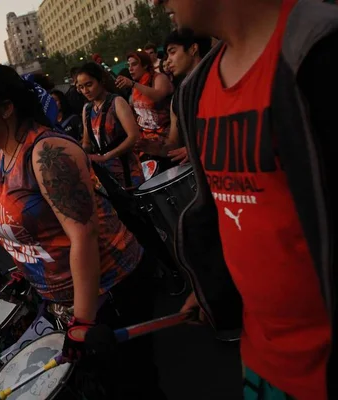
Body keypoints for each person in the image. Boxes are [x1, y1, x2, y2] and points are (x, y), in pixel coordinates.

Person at [156, 0, 337, 398]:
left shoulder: (318, 52)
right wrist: (210, 284)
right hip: (262, 361)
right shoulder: (198, 87)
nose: (157, 1)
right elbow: (225, 211)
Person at [0, 64, 166, 399]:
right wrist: (24, 268)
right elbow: (27, 224)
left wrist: (84, 319)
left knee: (133, 387)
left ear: (6, 108)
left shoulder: (48, 153)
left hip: (110, 288)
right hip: (63, 297)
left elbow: (82, 236)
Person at [76, 62, 145, 189]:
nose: (85, 91)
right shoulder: (87, 109)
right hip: (106, 176)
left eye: (89, 85)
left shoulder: (117, 102)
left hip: (127, 170)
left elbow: (134, 136)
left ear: (101, 81)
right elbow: (87, 143)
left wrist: (107, 156)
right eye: (81, 87)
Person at [115, 51, 175, 172]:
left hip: (166, 139)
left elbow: (158, 95)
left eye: (134, 64)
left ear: (145, 65)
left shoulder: (159, 78)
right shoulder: (135, 88)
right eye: (128, 65)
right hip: (146, 142)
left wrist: (133, 84)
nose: (130, 69)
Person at [164, 28, 212, 165]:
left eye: (172, 52)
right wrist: (154, 147)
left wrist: (198, 148)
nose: (168, 61)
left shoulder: (217, 79)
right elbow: (174, 143)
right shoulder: (179, 96)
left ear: (193, 49)